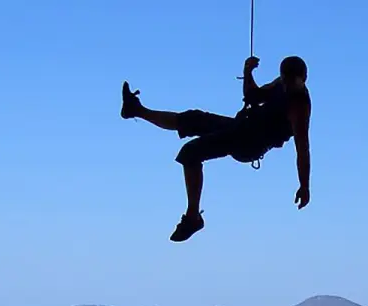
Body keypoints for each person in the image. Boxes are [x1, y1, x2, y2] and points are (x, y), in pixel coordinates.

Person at [119, 55, 313, 243]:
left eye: (290, 82)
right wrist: (247, 72)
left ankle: (193, 217)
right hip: (241, 127)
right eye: (284, 80)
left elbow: (302, 149)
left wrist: (304, 185)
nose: (286, 85)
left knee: (190, 153)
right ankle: (135, 109)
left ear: (302, 80)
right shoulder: (281, 83)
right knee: (193, 119)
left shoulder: (299, 105)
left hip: (249, 143)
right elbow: (253, 96)